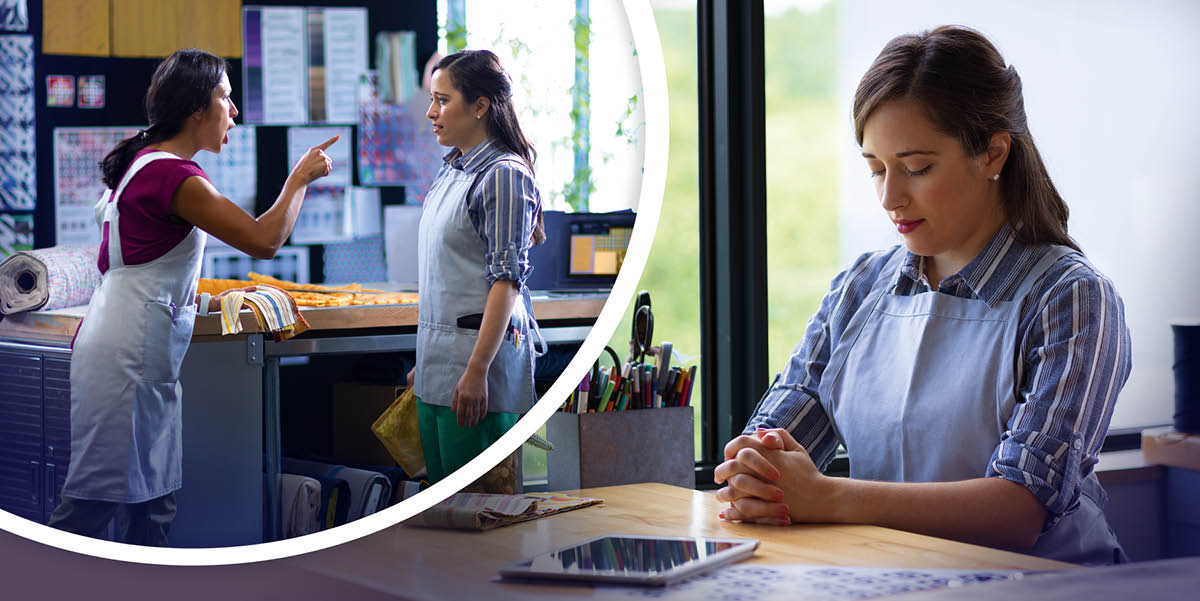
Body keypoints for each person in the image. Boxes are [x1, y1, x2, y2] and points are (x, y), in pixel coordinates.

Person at [714, 26, 1131, 565]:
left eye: (916, 168)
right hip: (893, 582)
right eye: (875, 170)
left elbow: (1021, 510)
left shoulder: (1071, 300)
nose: (890, 197)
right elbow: (772, 445)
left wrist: (826, 496)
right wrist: (754, 468)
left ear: (993, 153)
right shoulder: (859, 289)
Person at [48, 48, 337, 545]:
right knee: (92, 510)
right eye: (226, 97)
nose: (235, 111)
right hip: (127, 357)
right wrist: (299, 179)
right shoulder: (173, 176)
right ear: (196, 109)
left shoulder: (148, 163)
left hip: (130, 350)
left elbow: (151, 263)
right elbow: (263, 240)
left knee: (151, 504)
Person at [409, 49, 547, 487]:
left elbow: (506, 281)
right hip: (439, 366)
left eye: (443, 100)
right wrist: (426, 360)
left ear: (480, 106)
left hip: (475, 370)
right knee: (444, 517)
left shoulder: (504, 174)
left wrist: (477, 369)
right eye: (433, 99)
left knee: (480, 517)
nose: (432, 112)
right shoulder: (453, 169)